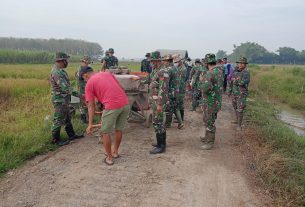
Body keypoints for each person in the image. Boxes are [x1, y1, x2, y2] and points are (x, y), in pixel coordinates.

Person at [82, 67, 130, 165]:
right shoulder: (107, 74)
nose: (84, 80)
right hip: (125, 103)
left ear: (85, 75)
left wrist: (90, 124)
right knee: (118, 129)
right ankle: (115, 152)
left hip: (112, 106)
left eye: (83, 79)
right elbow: (119, 87)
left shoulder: (89, 83)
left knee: (105, 132)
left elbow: (91, 106)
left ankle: (109, 157)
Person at [50, 52, 84, 146]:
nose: (67, 62)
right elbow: (65, 88)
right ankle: (55, 140)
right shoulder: (56, 72)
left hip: (65, 99)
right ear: (61, 61)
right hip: (59, 99)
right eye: (66, 60)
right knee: (58, 119)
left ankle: (71, 135)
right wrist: (79, 95)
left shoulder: (62, 71)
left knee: (67, 117)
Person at [141, 51, 169, 154]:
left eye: (153, 61)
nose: (151, 62)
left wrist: (160, 104)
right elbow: (150, 80)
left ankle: (162, 146)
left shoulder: (163, 71)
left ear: (157, 60)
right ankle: (159, 142)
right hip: (154, 100)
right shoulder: (155, 69)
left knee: (159, 122)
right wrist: (140, 80)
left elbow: (163, 89)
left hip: (159, 101)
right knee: (156, 122)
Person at [198, 53, 223, 150]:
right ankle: (207, 137)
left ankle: (210, 142)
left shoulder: (210, 73)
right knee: (209, 120)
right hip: (216, 101)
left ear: (206, 63)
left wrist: (201, 81)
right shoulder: (219, 71)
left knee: (209, 122)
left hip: (210, 102)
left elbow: (205, 88)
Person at [228, 57, 250, 131]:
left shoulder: (246, 72)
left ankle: (239, 125)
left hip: (242, 93)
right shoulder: (236, 71)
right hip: (235, 92)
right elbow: (231, 80)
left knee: (240, 109)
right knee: (235, 106)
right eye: (239, 63)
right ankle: (237, 120)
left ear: (245, 64)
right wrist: (230, 90)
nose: (240, 64)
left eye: (242, 63)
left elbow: (243, 82)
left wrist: (235, 81)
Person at [163, 54, 184, 129]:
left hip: (170, 93)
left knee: (168, 108)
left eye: (164, 61)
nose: (163, 62)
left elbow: (166, 83)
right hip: (176, 92)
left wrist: (164, 93)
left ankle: (167, 124)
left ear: (167, 61)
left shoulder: (168, 69)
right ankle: (181, 123)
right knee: (176, 107)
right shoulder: (175, 68)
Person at [75, 55, 92, 123]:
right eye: (86, 62)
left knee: (87, 103)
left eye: (88, 62)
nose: (87, 63)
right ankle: (83, 118)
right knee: (82, 103)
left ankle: (87, 118)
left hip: (86, 88)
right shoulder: (81, 70)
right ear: (83, 61)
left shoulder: (87, 68)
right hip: (82, 88)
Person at [174, 54, 187, 121]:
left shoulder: (182, 69)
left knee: (180, 103)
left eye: (176, 62)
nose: (175, 63)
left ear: (180, 61)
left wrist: (177, 89)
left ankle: (181, 118)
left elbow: (180, 81)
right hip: (179, 88)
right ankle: (178, 117)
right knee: (178, 103)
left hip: (180, 89)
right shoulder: (179, 68)